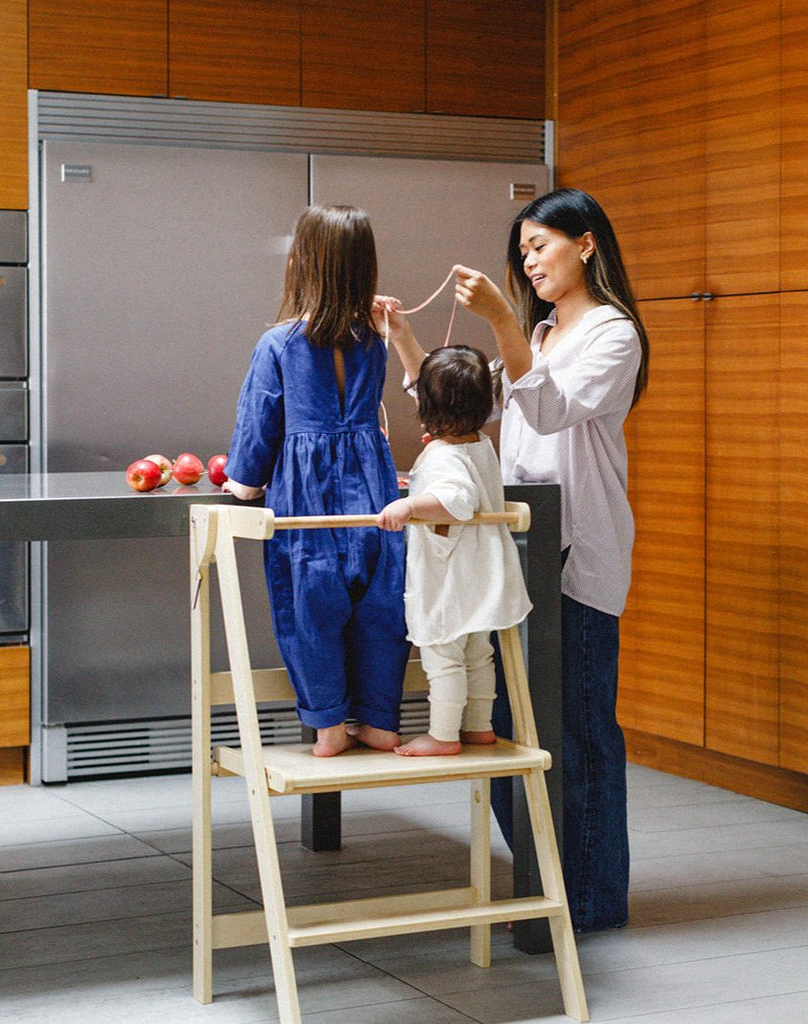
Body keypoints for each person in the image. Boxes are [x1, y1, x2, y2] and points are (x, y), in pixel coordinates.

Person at [381, 187, 649, 931]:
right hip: (522, 555)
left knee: (581, 735)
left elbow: (552, 408)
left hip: (578, 554)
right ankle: (548, 884)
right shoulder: (539, 334)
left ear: (586, 244)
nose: (529, 262)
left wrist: (500, 319)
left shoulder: (613, 334)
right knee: (509, 735)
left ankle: (589, 904)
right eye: (523, 251)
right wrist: (406, 339)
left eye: (540, 246)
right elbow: (462, 409)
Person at [223, 204, 410, 758]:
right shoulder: (373, 342)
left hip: (307, 499)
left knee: (310, 602)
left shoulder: (278, 344)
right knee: (381, 603)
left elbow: (260, 423)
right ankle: (379, 721)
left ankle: (328, 726)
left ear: (302, 264)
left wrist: (243, 483)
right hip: (373, 489)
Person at [377, 345, 532, 756]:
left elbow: (457, 500)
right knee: (478, 654)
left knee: (443, 655)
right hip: (482, 572)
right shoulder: (480, 443)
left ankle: (443, 734)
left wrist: (409, 505)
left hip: (450, 577)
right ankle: (478, 726)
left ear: (426, 408)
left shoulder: (444, 456)